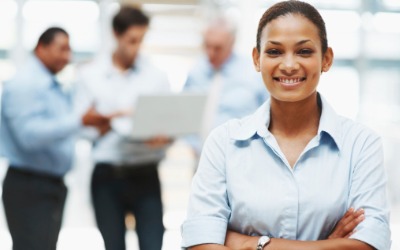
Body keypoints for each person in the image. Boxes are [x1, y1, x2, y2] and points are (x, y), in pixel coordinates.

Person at [181, 1, 391, 249]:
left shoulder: (361, 144)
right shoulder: (223, 142)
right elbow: (200, 243)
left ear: (326, 59)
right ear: (257, 59)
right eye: (274, 52)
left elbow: (369, 244)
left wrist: (252, 243)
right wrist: (328, 245)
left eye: (304, 52)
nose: (289, 65)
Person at [0, 27, 110, 250]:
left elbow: (58, 129)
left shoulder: (51, 85)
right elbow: (29, 136)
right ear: (41, 47)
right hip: (29, 186)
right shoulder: (25, 84)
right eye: (62, 49)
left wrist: (93, 129)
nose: (67, 57)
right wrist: (79, 121)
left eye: (69, 50)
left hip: (50, 185)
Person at [75, 6, 170, 250]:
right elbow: (82, 129)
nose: (136, 47)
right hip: (108, 176)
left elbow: (168, 123)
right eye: (131, 40)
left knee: (152, 244)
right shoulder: (90, 75)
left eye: (141, 40)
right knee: (113, 245)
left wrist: (164, 137)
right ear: (116, 35)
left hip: (145, 172)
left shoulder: (156, 76)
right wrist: (108, 122)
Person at [183, 14, 268, 154]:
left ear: (232, 42)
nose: (210, 53)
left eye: (217, 48)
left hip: (241, 157)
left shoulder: (253, 73)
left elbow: (269, 117)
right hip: (200, 158)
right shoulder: (196, 71)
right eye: (207, 46)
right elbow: (184, 112)